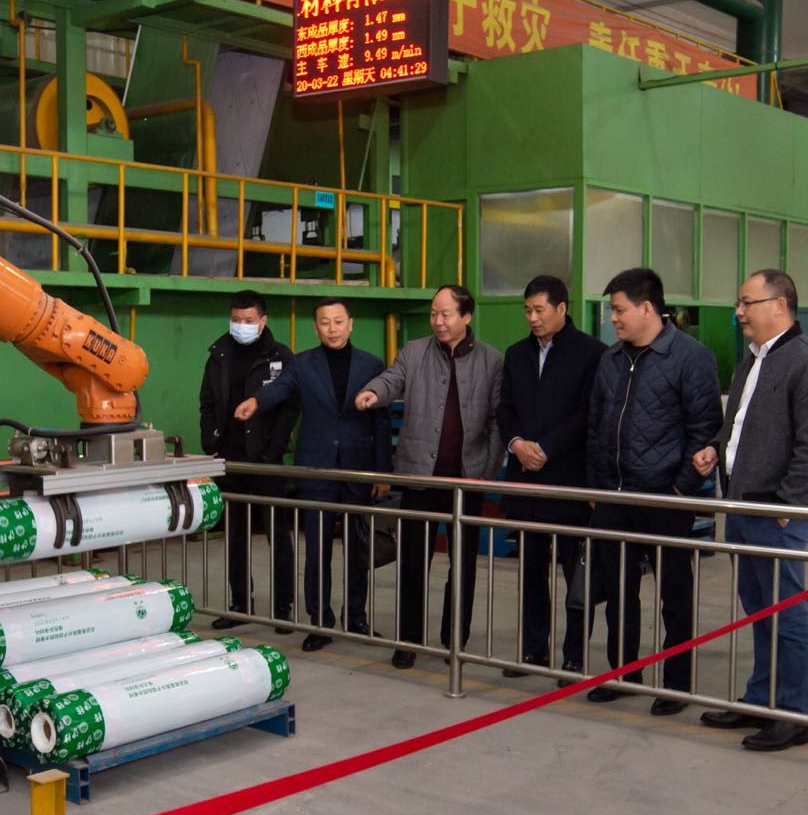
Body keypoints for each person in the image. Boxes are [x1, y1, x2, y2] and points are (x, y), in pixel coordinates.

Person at [695, 270, 808, 752]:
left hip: (776, 511)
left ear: (779, 305)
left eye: (746, 302)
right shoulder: (752, 360)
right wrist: (716, 448)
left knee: (786, 613)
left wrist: (789, 504)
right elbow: (737, 423)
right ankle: (761, 699)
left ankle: (792, 714)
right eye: (739, 303)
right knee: (758, 609)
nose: (739, 312)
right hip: (742, 503)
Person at [586, 268, 721, 713]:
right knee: (618, 593)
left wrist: (680, 489)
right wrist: (598, 487)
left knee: (674, 598)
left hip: (665, 500)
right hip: (616, 498)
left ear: (647, 308)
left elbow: (705, 429)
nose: (613, 319)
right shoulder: (610, 360)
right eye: (611, 311)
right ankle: (624, 673)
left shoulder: (690, 358)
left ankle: (676, 684)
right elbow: (596, 426)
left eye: (619, 310)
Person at [355, 285, 502, 668]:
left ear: (466, 316)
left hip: (467, 480)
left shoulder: (491, 360)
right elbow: (392, 379)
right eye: (434, 313)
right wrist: (374, 392)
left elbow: (497, 419)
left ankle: (455, 642)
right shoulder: (415, 351)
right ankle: (409, 639)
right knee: (413, 562)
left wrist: (487, 469)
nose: (438, 321)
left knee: (463, 565)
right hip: (420, 477)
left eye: (446, 314)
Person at [236, 297, 392, 651]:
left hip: (358, 469)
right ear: (316, 327)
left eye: (338, 321)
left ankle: (357, 618)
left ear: (350, 324)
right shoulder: (302, 364)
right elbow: (280, 389)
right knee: (317, 552)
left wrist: (382, 472)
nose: (332, 329)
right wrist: (257, 402)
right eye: (324, 322)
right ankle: (320, 621)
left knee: (358, 550)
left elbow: (380, 422)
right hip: (317, 469)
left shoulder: (371, 364)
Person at [494, 275, 605, 678]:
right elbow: (505, 408)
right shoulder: (516, 354)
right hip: (525, 480)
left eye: (539, 310)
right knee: (531, 573)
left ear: (561, 308)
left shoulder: (592, 353)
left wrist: (546, 448)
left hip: (569, 482)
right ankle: (533, 650)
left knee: (576, 575)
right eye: (527, 310)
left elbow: (587, 413)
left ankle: (574, 655)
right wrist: (517, 444)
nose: (533, 318)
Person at [198, 290, 297, 631]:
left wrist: (273, 449)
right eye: (236, 320)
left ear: (263, 321)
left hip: (267, 461)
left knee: (278, 535)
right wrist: (210, 441)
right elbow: (207, 404)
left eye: (249, 320)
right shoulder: (218, 355)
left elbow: (289, 408)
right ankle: (240, 603)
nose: (241, 325)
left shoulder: (281, 357)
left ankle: (283, 607)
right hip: (230, 460)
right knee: (235, 535)